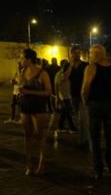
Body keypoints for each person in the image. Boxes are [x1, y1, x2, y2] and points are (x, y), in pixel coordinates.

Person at [82, 45, 111, 179]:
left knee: (95, 137)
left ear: (97, 55)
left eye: (91, 54)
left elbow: (85, 87)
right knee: (110, 135)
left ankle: (98, 169)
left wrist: (85, 101)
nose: (90, 56)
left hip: (95, 104)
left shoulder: (91, 67)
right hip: (110, 104)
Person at [18, 48, 52, 176]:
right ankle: (29, 164)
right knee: (27, 135)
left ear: (29, 59)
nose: (20, 60)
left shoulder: (42, 73)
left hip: (38, 107)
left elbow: (48, 92)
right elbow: (20, 87)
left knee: (40, 136)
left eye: (22, 58)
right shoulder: (22, 72)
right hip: (25, 107)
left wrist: (29, 92)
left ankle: (41, 165)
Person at [65, 46, 89, 148]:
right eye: (75, 53)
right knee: (77, 117)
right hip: (73, 94)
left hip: (84, 94)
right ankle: (82, 137)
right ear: (71, 54)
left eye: (79, 53)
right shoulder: (67, 66)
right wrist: (70, 66)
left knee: (84, 117)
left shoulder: (85, 65)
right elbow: (64, 78)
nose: (77, 55)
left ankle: (85, 140)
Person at [55, 60, 76, 133]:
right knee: (68, 111)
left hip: (65, 95)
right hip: (64, 95)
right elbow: (57, 85)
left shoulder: (60, 73)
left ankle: (60, 127)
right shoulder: (61, 74)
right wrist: (58, 97)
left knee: (65, 112)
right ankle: (72, 128)